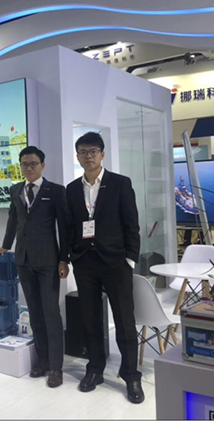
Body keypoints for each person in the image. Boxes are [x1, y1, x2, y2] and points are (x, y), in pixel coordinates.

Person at [67, 132, 144, 403]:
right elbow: (69, 226)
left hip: (116, 263)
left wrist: (130, 258)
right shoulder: (71, 189)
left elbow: (132, 224)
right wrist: (71, 256)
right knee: (90, 319)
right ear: (77, 157)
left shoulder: (120, 183)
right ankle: (95, 368)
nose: (88, 156)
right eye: (83, 152)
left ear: (102, 154)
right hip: (85, 263)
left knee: (124, 321)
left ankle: (131, 374)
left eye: (93, 151)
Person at [0, 146, 69, 388]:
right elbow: (13, 219)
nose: (29, 168)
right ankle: (43, 361)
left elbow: (64, 227)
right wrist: (6, 245)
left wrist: (64, 259)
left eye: (33, 164)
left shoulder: (55, 191)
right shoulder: (16, 190)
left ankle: (56, 367)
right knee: (35, 313)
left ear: (42, 165)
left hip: (48, 261)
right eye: (24, 164)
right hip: (23, 260)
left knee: (51, 314)